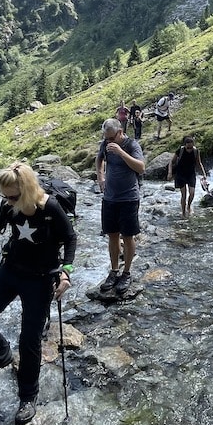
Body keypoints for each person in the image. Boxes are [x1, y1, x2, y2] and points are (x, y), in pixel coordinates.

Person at [0, 162, 75, 425]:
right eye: (4, 196)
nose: (8, 201)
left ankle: (27, 398)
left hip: (41, 280)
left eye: (13, 196)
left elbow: (71, 238)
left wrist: (66, 272)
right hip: (11, 270)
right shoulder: (9, 204)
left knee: (29, 340)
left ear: (27, 188)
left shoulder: (50, 207)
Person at [94, 118, 145, 295]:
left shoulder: (132, 145)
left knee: (128, 236)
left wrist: (121, 153)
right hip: (109, 199)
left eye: (111, 138)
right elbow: (99, 159)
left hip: (129, 198)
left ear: (120, 132)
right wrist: (100, 177)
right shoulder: (105, 144)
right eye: (105, 138)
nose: (108, 142)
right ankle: (114, 271)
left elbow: (141, 168)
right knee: (112, 235)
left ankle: (126, 273)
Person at [166, 135, 207, 217]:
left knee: (192, 193)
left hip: (191, 174)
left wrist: (204, 174)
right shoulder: (180, 151)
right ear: (185, 145)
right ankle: (183, 212)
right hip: (180, 174)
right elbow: (171, 162)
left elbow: (199, 163)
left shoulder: (196, 151)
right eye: (188, 147)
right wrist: (170, 173)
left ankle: (189, 206)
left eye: (191, 147)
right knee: (184, 195)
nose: (189, 149)